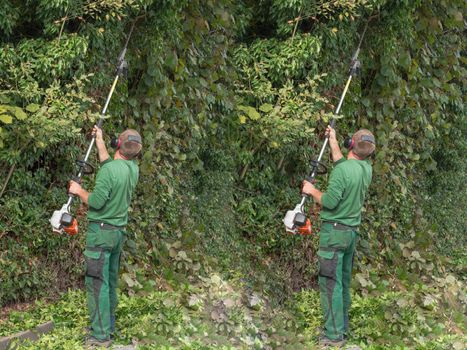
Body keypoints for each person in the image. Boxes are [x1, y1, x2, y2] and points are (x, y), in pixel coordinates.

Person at [302, 125, 375, 348]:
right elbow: (343, 164)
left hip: (334, 232)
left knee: (331, 283)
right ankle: (341, 329)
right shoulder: (365, 168)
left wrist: (311, 190)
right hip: (350, 233)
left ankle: (333, 336)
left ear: (351, 144)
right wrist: (332, 140)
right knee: (341, 282)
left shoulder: (343, 171)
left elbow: (330, 202)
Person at [68, 125, 142, 348]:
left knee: (97, 283)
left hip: (100, 233)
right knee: (108, 281)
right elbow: (109, 164)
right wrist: (98, 140)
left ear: (118, 144)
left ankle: (100, 337)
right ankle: (107, 326)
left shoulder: (110, 171)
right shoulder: (132, 168)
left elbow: (97, 202)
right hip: (117, 233)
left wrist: (78, 191)